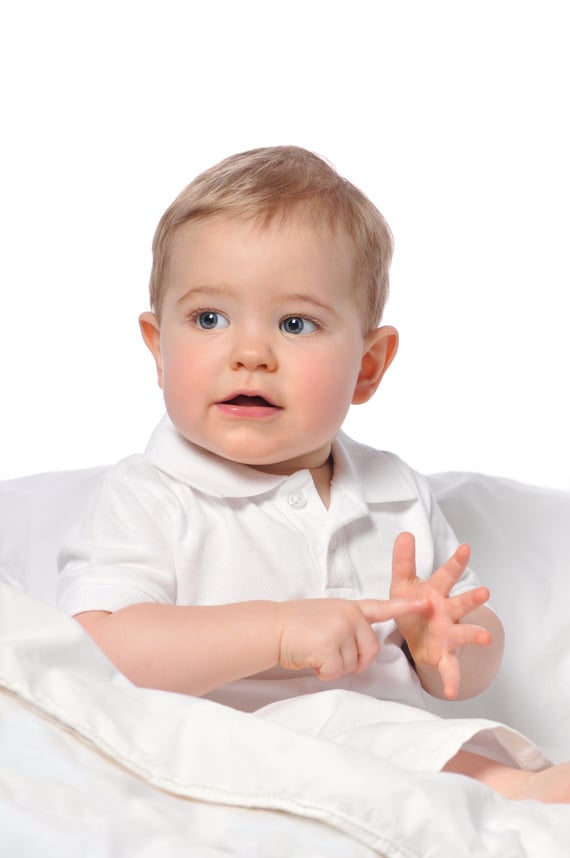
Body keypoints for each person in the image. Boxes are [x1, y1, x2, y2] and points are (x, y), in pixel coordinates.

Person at [57, 145, 570, 802]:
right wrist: (275, 628)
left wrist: (442, 642)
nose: (249, 354)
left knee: (412, 735)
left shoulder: (394, 494)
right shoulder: (152, 495)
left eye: (295, 323)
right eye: (209, 318)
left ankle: (504, 790)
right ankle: (516, 794)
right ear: (158, 349)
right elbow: (95, 652)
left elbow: (465, 671)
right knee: (336, 727)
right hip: (222, 763)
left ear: (367, 367)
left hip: (390, 758)